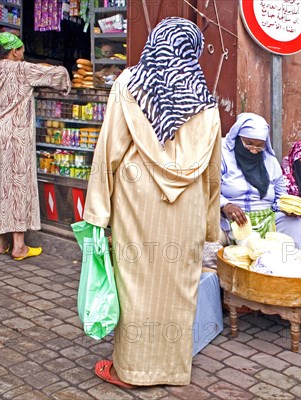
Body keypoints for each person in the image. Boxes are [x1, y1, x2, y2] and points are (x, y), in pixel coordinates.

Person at [84, 17, 221, 387]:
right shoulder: (207, 102)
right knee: (177, 286)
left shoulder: (130, 83)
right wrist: (210, 224)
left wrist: (98, 210)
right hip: (187, 203)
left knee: (136, 284)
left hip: (138, 199)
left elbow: (109, 149)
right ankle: (171, 370)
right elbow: (212, 172)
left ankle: (130, 369)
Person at [0, 32, 71, 259]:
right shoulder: (21, 69)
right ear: (14, 51)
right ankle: (19, 246)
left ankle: (1, 242)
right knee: (17, 186)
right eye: (21, 50)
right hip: (13, 137)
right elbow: (56, 74)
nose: (23, 54)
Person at [220, 113, 301, 249]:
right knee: (210, 237)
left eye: (259, 146)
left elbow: (280, 197)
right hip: (230, 219)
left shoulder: (270, 161)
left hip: (267, 217)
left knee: (298, 228)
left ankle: (298, 267)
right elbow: (208, 191)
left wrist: (286, 208)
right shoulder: (222, 155)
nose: (254, 151)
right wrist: (226, 206)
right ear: (237, 137)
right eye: (249, 144)